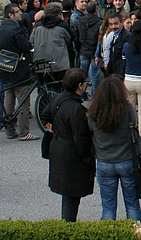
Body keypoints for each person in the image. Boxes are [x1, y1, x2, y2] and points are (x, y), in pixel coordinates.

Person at [88, 74, 141, 221]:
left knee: (108, 207)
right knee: (132, 204)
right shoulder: (128, 109)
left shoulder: (93, 112)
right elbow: (134, 126)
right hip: (126, 160)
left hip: (104, 161)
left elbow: (90, 131)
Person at [42, 68, 94, 222]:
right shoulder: (76, 108)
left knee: (67, 194)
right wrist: (88, 157)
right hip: (71, 155)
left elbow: (45, 115)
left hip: (58, 147)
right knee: (72, 195)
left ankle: (66, 224)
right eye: (85, 83)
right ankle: (68, 227)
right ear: (80, 85)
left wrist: (54, 129)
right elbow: (80, 138)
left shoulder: (58, 98)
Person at [0, 4, 38, 141]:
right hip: (18, 67)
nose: (20, 14)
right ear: (11, 14)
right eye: (17, 12)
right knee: (23, 100)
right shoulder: (16, 28)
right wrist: (29, 46)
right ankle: (24, 131)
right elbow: (24, 45)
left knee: (9, 98)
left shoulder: (1, 27)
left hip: (5, 66)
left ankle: (10, 129)